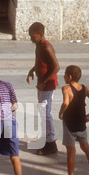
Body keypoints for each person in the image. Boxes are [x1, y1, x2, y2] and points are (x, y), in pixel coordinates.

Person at [58, 65, 89, 175]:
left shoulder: (66, 89)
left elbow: (65, 102)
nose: (63, 77)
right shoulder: (84, 88)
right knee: (86, 148)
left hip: (69, 125)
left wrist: (61, 113)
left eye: (64, 75)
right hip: (81, 125)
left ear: (69, 77)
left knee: (71, 152)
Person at [27, 22, 60, 155]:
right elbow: (40, 63)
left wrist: (44, 81)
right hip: (42, 85)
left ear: (41, 35)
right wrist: (32, 70)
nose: (31, 39)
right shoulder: (39, 46)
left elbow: (56, 67)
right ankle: (45, 139)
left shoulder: (47, 47)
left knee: (46, 114)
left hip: (47, 86)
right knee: (42, 112)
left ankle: (51, 143)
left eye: (33, 37)